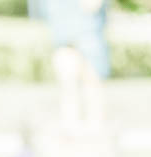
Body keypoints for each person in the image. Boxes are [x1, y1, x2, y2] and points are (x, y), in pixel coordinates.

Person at [31, 0, 108, 131]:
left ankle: (94, 130)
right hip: (64, 38)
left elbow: (92, 6)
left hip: (88, 38)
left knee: (91, 85)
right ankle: (71, 129)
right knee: (68, 87)